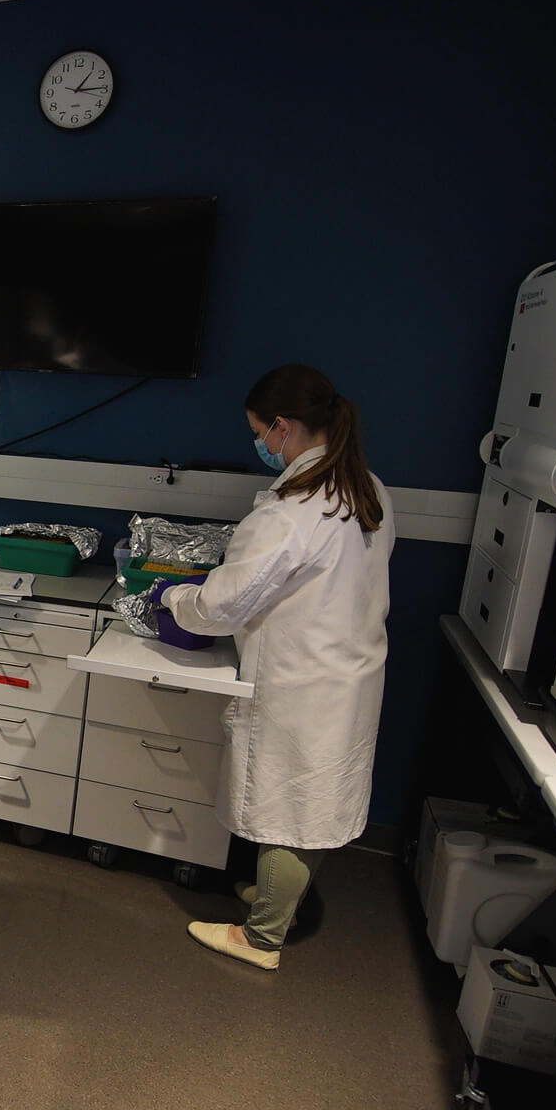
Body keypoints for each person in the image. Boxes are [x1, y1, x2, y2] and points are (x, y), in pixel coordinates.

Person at [149, 363, 393, 971]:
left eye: (260, 432)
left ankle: (262, 937)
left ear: (282, 427)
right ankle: (278, 897)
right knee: (320, 797)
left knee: (288, 809)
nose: (259, 444)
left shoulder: (290, 511)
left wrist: (171, 597)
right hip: (347, 672)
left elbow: (223, 603)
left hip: (299, 680)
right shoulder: (367, 488)